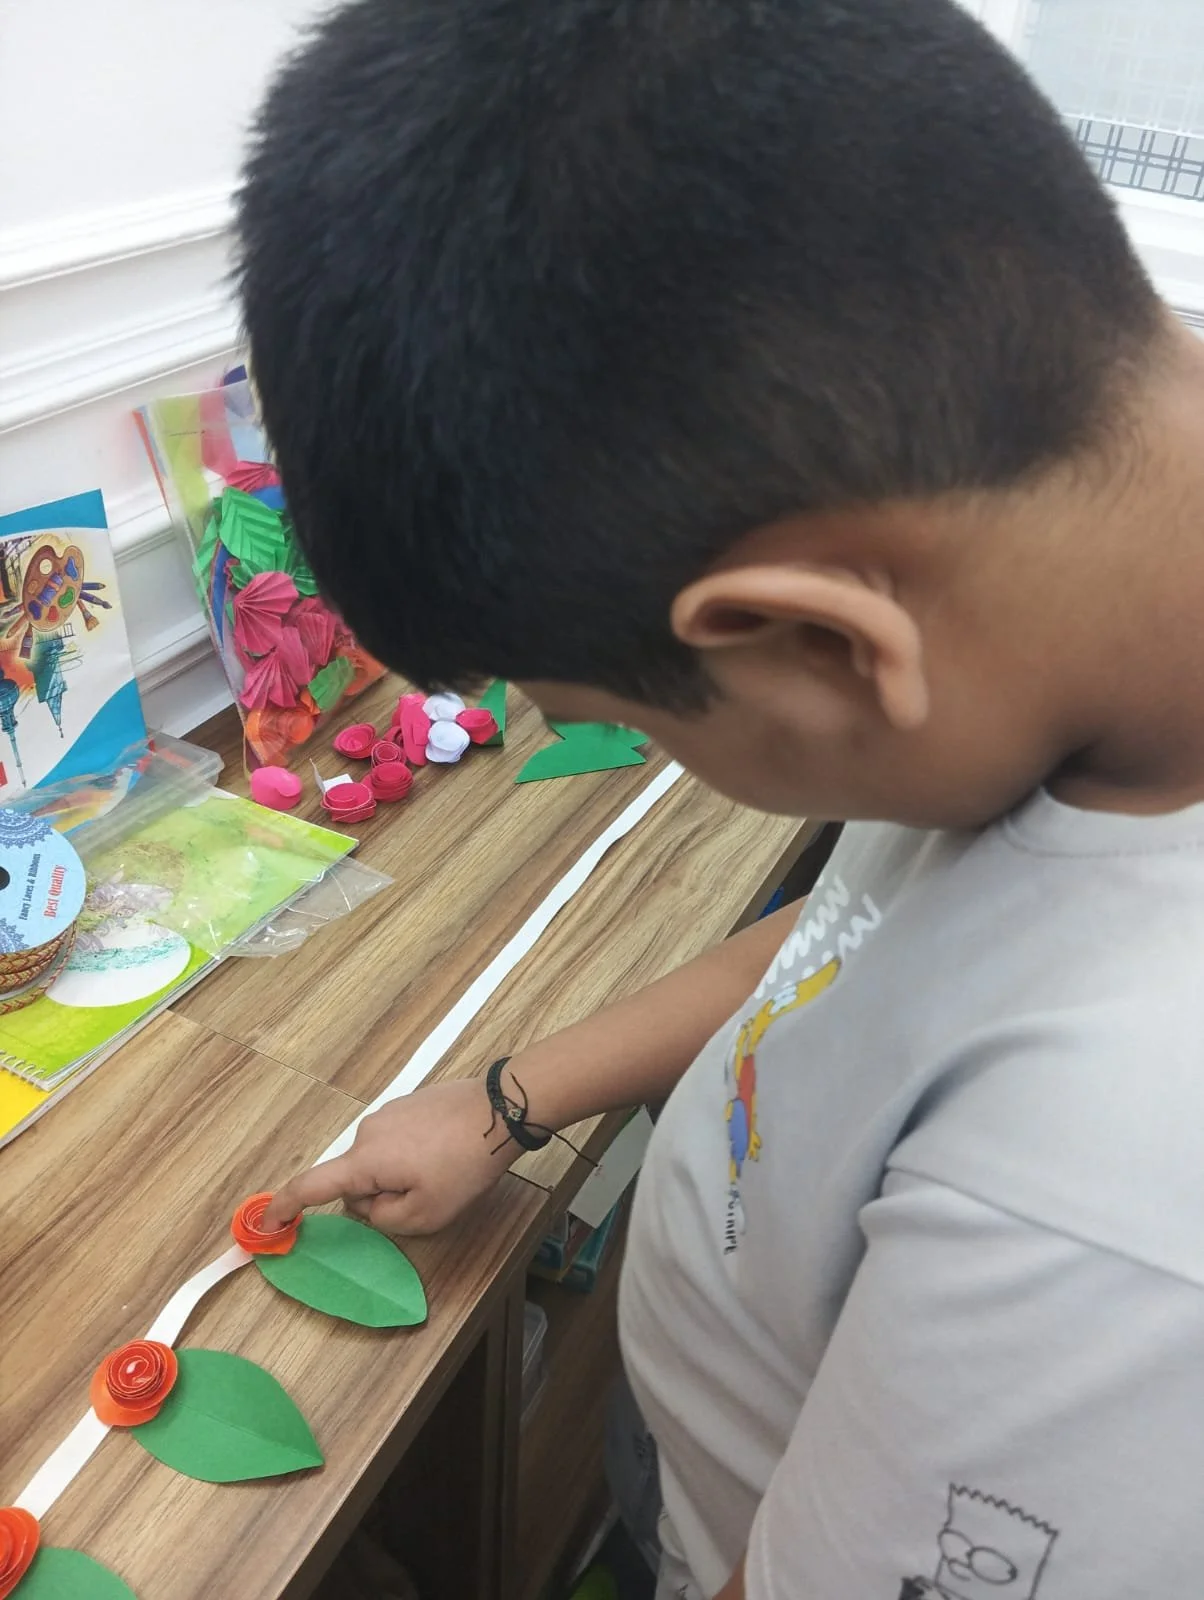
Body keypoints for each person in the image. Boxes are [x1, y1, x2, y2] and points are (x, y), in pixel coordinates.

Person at [240, 1, 1204, 1594]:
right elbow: (865, 944)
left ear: (815, 637)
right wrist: (509, 1100)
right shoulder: (1070, 603)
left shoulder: (1106, 1203)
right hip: (722, 1438)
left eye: (637, 728)